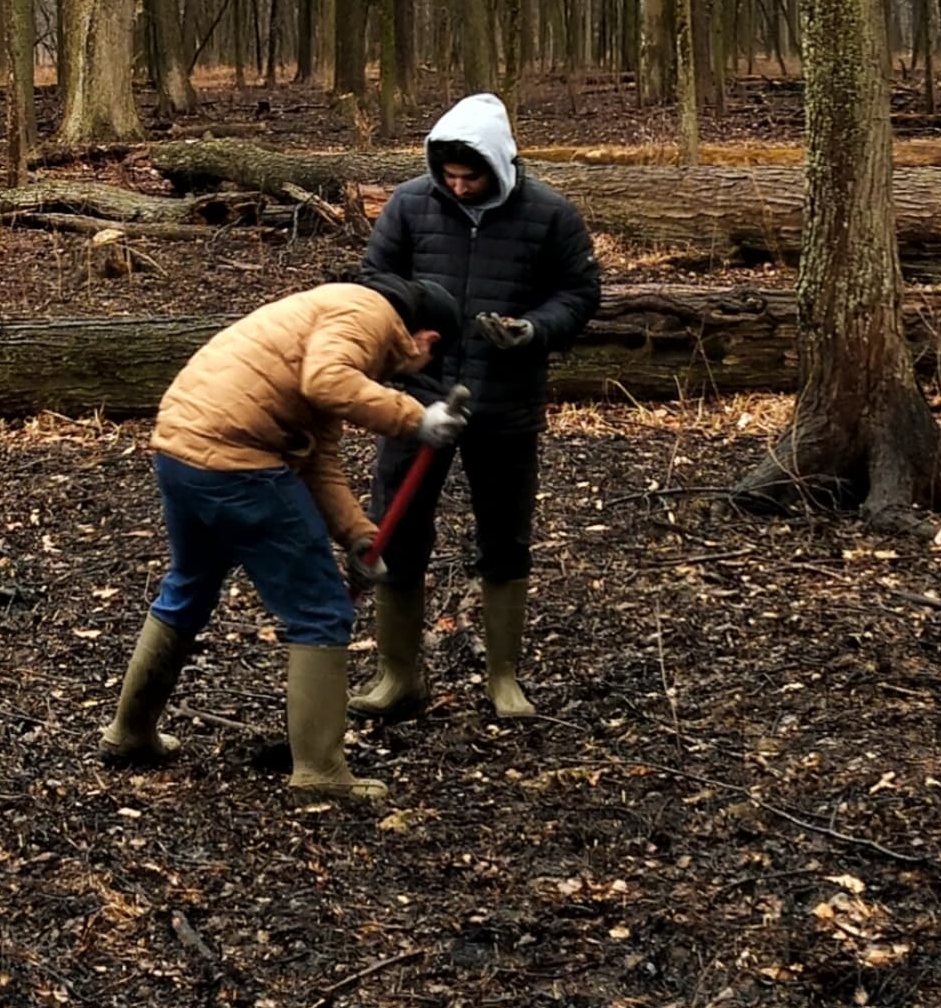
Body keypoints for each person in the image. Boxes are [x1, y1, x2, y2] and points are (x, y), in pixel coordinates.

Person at [98, 275, 467, 801]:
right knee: (321, 610)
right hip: (236, 460)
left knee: (190, 584)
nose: (407, 380)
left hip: (181, 447)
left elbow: (319, 458)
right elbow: (328, 383)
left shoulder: (325, 312)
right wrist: (415, 419)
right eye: (421, 369)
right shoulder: (367, 313)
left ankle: (129, 733)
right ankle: (320, 771)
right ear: (426, 340)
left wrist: (358, 536)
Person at [353, 92, 601, 720]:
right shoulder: (410, 204)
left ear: (500, 164)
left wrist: (534, 330)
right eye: (450, 176)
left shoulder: (548, 214)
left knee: (505, 536)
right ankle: (397, 675)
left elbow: (579, 292)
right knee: (399, 530)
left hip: (506, 402)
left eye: (472, 176)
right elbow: (373, 280)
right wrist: (403, 330)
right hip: (416, 398)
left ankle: (503, 677)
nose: (459, 187)